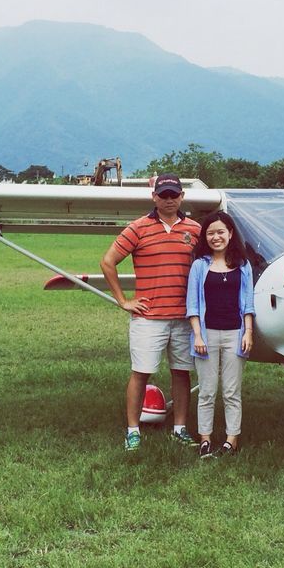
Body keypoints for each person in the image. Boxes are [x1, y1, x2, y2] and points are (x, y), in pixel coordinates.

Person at [101, 173, 202, 452]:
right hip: (148, 318)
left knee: (181, 373)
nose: (169, 200)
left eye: (174, 195)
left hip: (184, 318)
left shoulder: (194, 229)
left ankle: (180, 428)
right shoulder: (137, 228)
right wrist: (123, 300)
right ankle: (133, 430)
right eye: (164, 195)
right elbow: (108, 262)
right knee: (141, 373)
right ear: (154, 197)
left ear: (182, 197)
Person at [186, 211, 255, 458]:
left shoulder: (243, 265)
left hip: (234, 334)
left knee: (231, 391)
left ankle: (231, 439)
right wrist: (197, 335)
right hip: (207, 335)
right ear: (205, 237)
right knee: (207, 390)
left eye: (220, 232)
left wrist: (248, 332)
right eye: (211, 233)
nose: (216, 237)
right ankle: (204, 438)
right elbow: (192, 304)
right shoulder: (199, 266)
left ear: (230, 234)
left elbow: (248, 304)